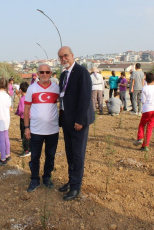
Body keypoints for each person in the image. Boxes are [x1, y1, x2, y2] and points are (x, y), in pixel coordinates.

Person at [58, 46, 95, 201]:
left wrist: (80, 120)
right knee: (70, 152)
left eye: (65, 55)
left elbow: (85, 97)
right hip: (67, 120)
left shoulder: (81, 72)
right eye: (60, 57)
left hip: (79, 121)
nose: (63, 59)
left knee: (78, 154)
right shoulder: (63, 75)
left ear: (72, 55)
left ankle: (76, 187)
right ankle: (72, 180)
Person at [24, 64, 60, 192]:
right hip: (36, 130)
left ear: (51, 73)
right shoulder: (32, 89)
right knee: (35, 157)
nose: (44, 74)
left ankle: (47, 177)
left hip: (53, 130)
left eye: (47, 72)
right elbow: (26, 109)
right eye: (42, 72)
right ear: (37, 74)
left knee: (50, 156)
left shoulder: (56, 88)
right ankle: (34, 179)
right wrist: (26, 127)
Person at [132, 73, 154, 151]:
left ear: (145, 80)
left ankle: (140, 138)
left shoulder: (144, 88)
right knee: (149, 128)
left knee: (142, 124)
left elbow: (143, 100)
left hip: (147, 109)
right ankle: (145, 146)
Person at [15, 82, 30, 157]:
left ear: (20, 90)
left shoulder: (22, 99)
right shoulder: (30, 97)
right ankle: (30, 148)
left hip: (23, 118)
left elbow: (21, 110)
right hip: (31, 118)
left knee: (24, 134)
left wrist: (17, 113)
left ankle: (26, 150)